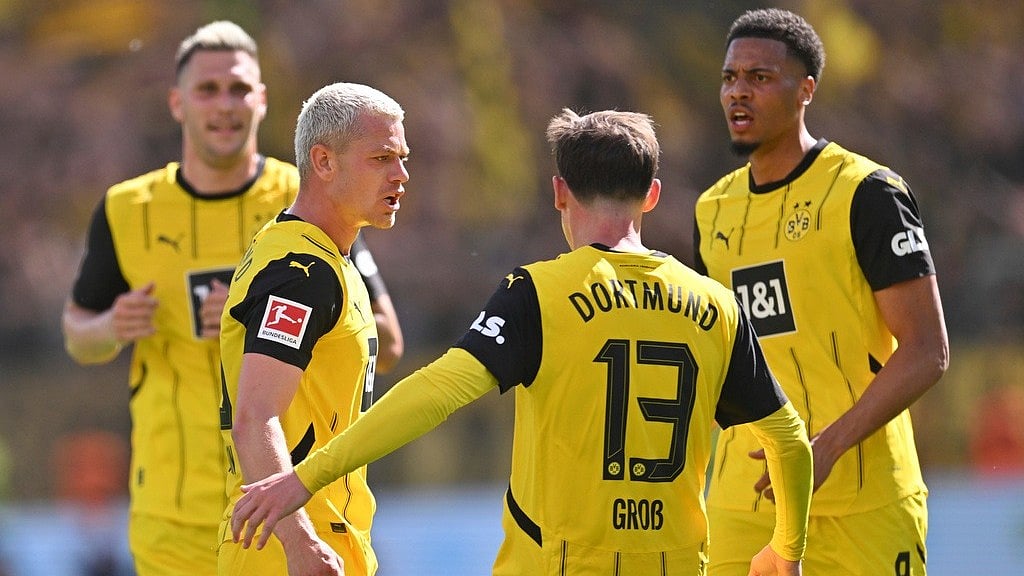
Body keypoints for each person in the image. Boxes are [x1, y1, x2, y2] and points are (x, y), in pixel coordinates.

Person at [227, 108, 815, 575]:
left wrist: (305, 477)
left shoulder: (540, 293)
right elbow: (791, 442)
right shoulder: (717, 306)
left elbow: (438, 390)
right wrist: (786, 550)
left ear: (560, 191)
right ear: (652, 194)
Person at [61, 21, 403, 576]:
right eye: (207, 90)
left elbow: (383, 339)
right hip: (173, 509)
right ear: (177, 103)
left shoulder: (311, 196)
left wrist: (267, 321)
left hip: (291, 502)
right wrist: (112, 326)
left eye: (239, 88)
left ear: (263, 100)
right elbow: (78, 335)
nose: (225, 105)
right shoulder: (128, 209)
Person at [693, 8, 949, 576]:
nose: (739, 93)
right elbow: (717, 367)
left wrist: (826, 448)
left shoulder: (868, 193)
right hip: (745, 503)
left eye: (760, 78)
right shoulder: (711, 212)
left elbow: (929, 350)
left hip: (862, 503)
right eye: (730, 78)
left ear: (806, 88)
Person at [216, 81, 410, 576]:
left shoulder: (332, 260)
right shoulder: (300, 271)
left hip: (329, 537)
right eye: (382, 158)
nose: (401, 175)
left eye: (403, 157)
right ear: (323, 162)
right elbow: (255, 417)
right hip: (289, 548)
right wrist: (301, 542)